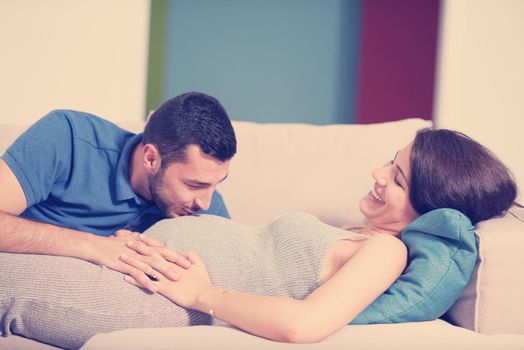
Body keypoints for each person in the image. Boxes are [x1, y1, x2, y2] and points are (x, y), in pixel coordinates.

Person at [0, 128, 517, 349]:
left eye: (399, 179)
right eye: (392, 160)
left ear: (426, 206)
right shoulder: (359, 236)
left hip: (160, 298)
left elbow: (304, 324)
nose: (379, 174)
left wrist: (202, 294)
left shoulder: (388, 250)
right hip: (138, 267)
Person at [0, 91, 237, 290]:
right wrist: (94, 245)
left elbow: (232, 278)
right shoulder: (67, 137)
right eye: (194, 185)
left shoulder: (205, 206)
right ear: (151, 158)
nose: (205, 203)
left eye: (216, 184)